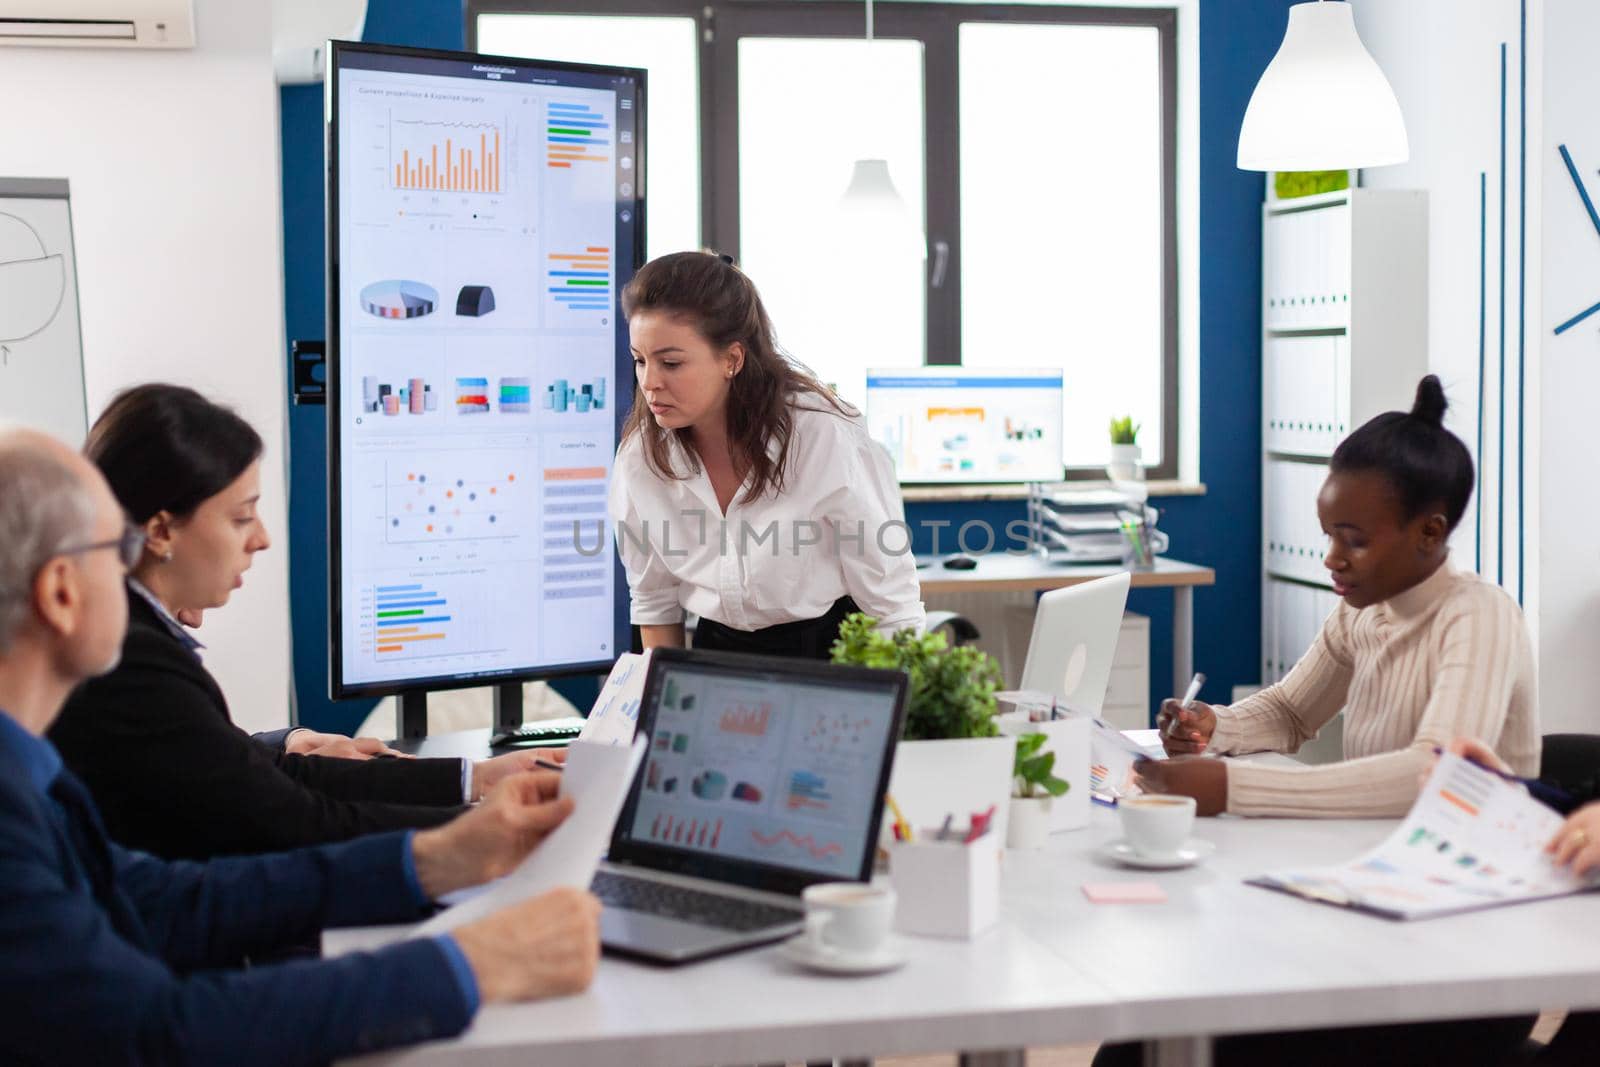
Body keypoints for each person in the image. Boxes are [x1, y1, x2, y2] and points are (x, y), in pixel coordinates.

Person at [0, 426, 601, 1065]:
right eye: (117, 549)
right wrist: (477, 963)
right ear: (63, 592)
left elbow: (167, 901)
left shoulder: (30, 776)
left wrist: (439, 856)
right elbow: (154, 1033)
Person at [49, 385, 545, 860]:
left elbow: (264, 773)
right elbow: (291, 820)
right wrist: (485, 827)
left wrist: (474, 780)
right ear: (160, 531)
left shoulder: (137, 637)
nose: (262, 539)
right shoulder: (131, 659)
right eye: (242, 517)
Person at [1137, 375, 1538, 817]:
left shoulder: (1480, 616)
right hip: (1381, 854)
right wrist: (1213, 726)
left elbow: (1435, 774)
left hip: (1475, 870)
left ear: (1430, 531)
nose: (1332, 559)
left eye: (1355, 541)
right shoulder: (1362, 611)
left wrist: (1234, 786)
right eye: (1329, 536)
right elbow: (1291, 711)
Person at [609, 251, 924, 659]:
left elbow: (893, 608)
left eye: (671, 363)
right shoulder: (641, 457)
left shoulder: (824, 437)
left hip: (832, 655)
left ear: (732, 359)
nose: (650, 383)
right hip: (716, 656)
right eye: (640, 361)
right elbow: (654, 602)